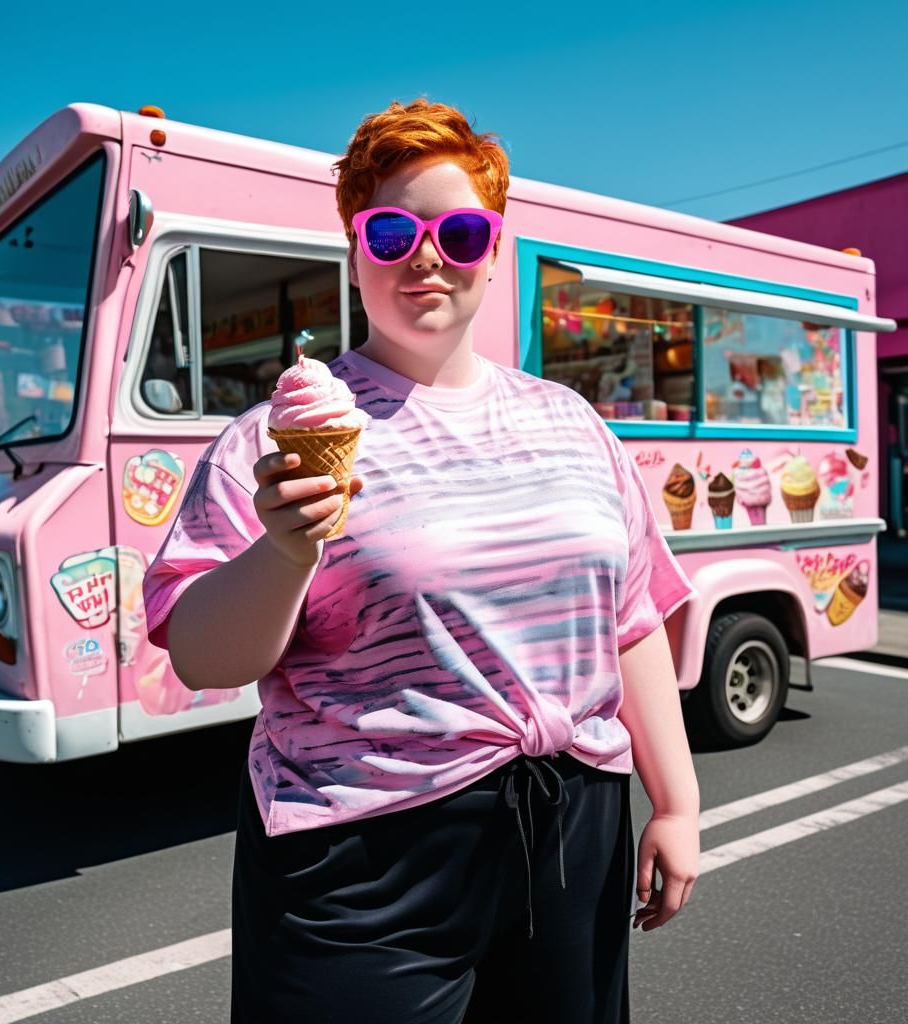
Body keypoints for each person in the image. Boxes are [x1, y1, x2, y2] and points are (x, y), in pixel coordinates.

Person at [142, 97, 701, 1024]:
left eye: (461, 230)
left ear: (492, 245)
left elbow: (630, 622)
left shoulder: (574, 422)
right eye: (393, 230)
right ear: (356, 247)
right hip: (363, 847)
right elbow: (202, 655)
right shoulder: (274, 438)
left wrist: (676, 803)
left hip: (572, 828)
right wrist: (285, 550)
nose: (427, 256)